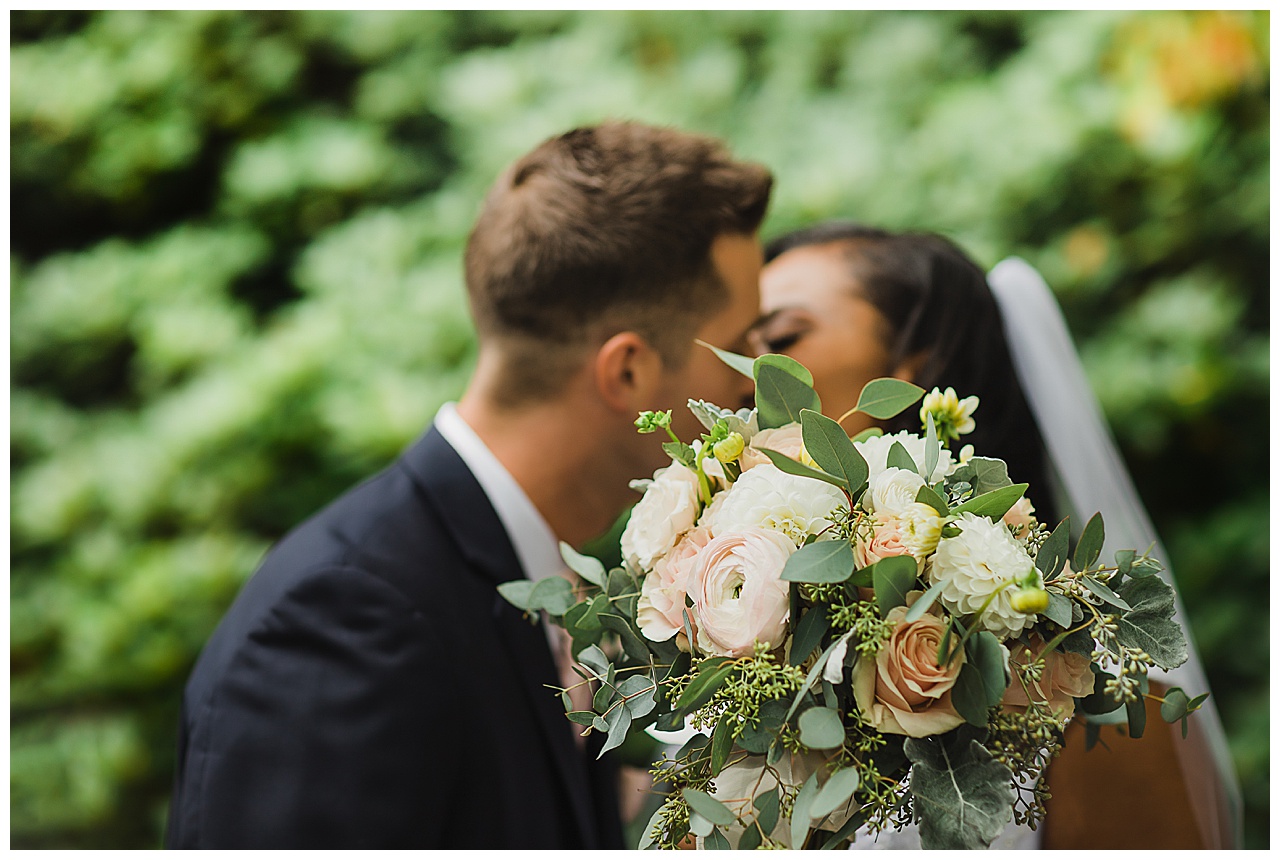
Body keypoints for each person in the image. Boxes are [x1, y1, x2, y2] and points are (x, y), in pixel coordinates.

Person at [165, 121, 771, 849]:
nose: (759, 377)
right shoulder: (347, 620)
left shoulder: (537, 577)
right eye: (739, 348)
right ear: (628, 372)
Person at [750, 222, 1241, 849]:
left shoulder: (1090, 704)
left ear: (915, 357)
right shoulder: (746, 671)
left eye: (784, 337)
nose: (749, 374)